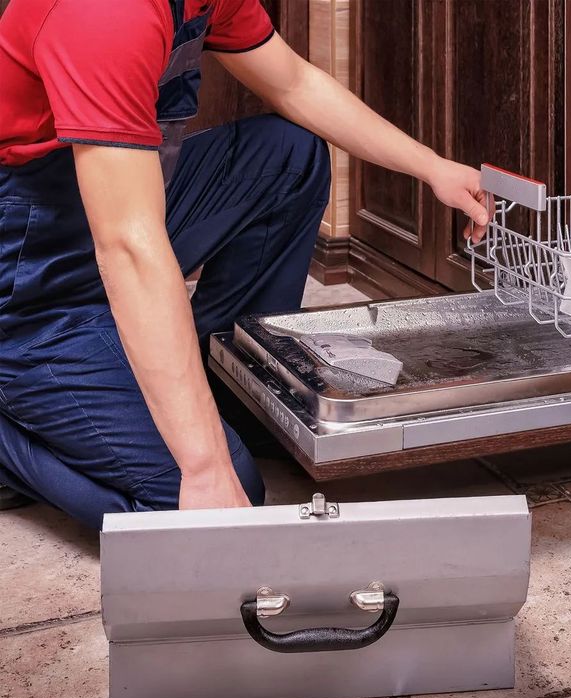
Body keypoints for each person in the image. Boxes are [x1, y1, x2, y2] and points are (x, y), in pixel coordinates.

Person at [0, 0, 490, 529]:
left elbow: (293, 83)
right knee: (195, 505)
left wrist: (432, 167)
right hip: (30, 274)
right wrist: (204, 465)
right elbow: (128, 248)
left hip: (112, 206)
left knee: (286, 153)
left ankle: (226, 390)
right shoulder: (105, 13)